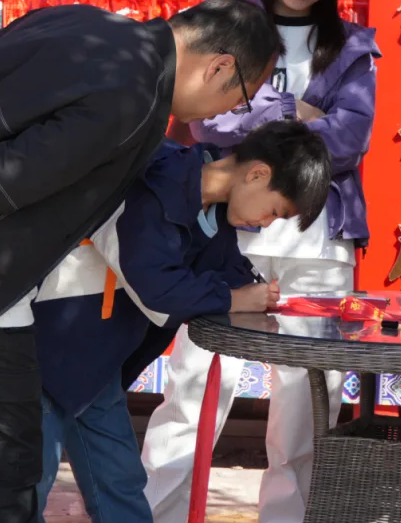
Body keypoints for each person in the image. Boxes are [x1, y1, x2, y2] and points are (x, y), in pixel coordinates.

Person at [0, 0, 283, 523]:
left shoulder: (79, 21)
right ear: (218, 67)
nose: (226, 114)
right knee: (5, 477)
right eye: (239, 97)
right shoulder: (135, 96)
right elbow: (3, 176)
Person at [141, 0, 379, 523]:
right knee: (192, 388)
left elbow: (351, 140)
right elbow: (208, 120)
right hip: (226, 233)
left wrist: (258, 114)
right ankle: (157, 515)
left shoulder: (352, 46)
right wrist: (297, 113)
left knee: (303, 405)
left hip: (320, 244)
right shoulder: (233, 22)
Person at [32, 121, 332, 523]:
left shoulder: (213, 209)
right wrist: (233, 298)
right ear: (258, 174)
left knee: (121, 488)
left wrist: (256, 293)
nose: (265, 223)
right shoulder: (160, 175)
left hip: (97, 366)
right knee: (25, 490)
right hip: (46, 352)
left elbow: (227, 270)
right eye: (274, 212)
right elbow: (155, 285)